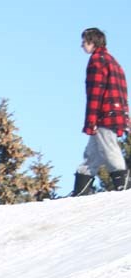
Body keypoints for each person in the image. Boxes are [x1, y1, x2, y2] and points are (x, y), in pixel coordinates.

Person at [72, 27, 130, 196]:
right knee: (92, 155)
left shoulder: (97, 61)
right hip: (116, 114)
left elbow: (95, 93)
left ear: (93, 42)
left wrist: (90, 121)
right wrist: (126, 117)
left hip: (105, 116)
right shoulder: (114, 62)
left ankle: (124, 187)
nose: (82, 45)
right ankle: (80, 191)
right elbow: (122, 92)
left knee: (110, 149)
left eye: (85, 42)